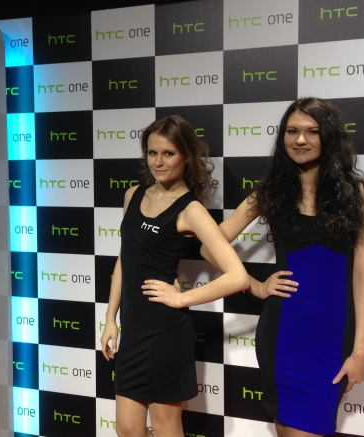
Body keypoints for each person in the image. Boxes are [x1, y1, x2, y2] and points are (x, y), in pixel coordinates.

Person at [200, 97, 364, 437]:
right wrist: (254, 284)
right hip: (282, 335)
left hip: (331, 339)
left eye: (312, 131)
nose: (300, 140)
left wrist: (361, 351)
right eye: (292, 131)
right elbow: (210, 246)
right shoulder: (271, 192)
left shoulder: (359, 195)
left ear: (329, 136)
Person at [99, 115, 254, 437]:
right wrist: (111, 318)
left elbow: (237, 276)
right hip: (133, 330)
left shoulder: (191, 210)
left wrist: (182, 298)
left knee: (165, 428)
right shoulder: (133, 194)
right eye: (152, 153)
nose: (158, 162)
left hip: (166, 333)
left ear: (186, 156)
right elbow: (124, 260)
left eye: (168, 153)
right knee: (127, 430)